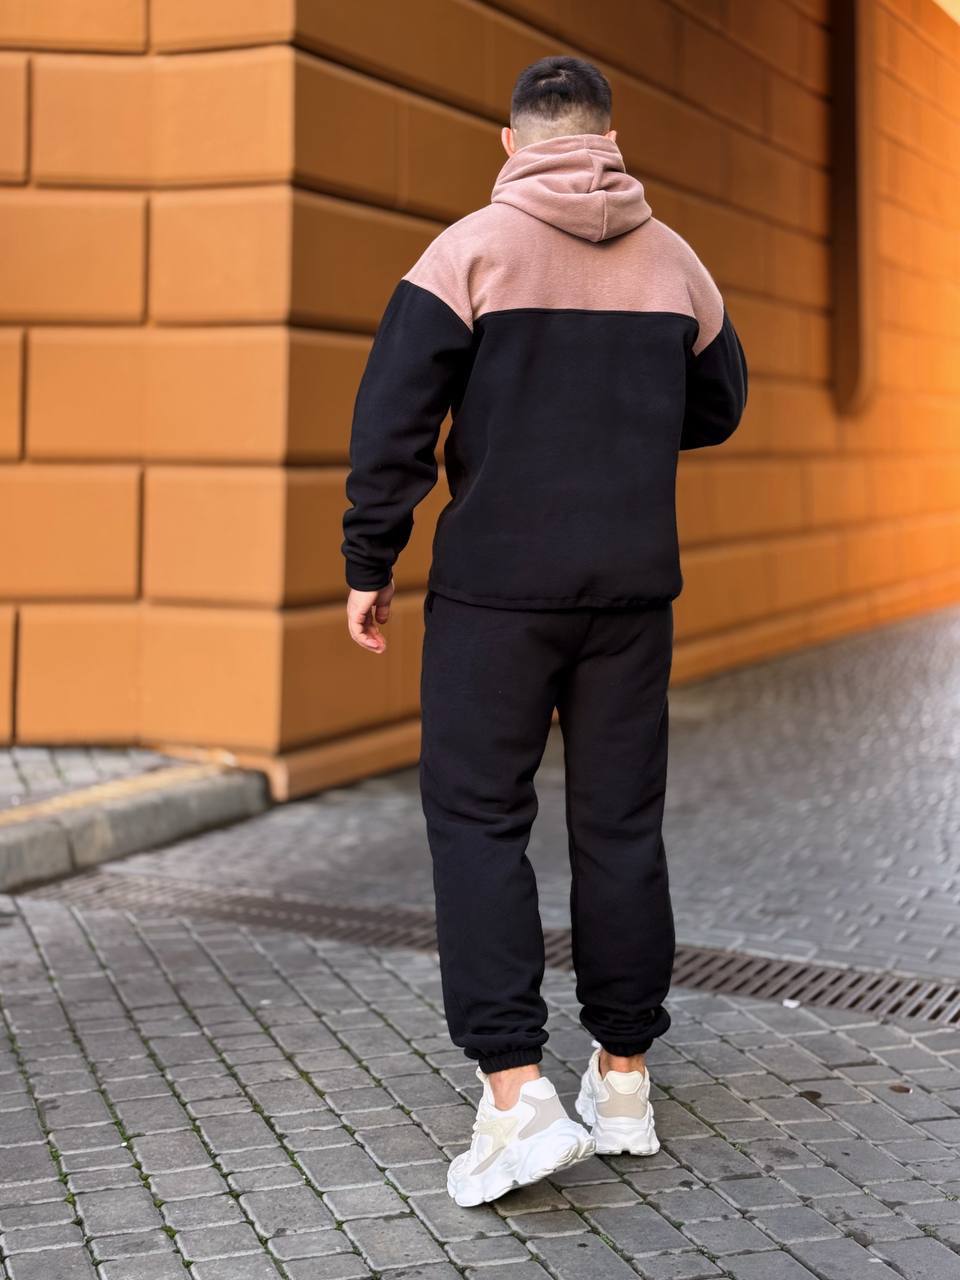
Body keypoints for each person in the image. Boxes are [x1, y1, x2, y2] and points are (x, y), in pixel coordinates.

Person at [341, 54, 747, 1207]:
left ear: (511, 141)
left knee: (479, 821)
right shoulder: (675, 261)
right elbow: (720, 402)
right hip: (631, 596)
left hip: (495, 597)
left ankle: (516, 1091)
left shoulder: (469, 251)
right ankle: (622, 1080)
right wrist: (616, 422)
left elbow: (393, 419)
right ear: (610, 139)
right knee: (620, 826)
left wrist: (370, 560)